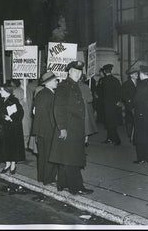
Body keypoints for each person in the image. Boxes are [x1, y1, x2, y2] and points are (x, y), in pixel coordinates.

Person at [49, 61, 93, 195]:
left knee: (68, 158)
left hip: (76, 129)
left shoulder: (75, 86)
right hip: (69, 129)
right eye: (75, 71)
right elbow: (58, 108)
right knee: (72, 159)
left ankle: (62, 184)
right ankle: (76, 187)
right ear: (69, 72)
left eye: (80, 72)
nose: (78, 74)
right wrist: (62, 128)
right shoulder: (64, 86)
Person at [32, 71, 59, 185]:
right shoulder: (50, 96)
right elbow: (52, 116)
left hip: (40, 130)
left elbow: (35, 112)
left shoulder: (40, 94)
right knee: (50, 156)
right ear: (48, 83)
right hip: (49, 130)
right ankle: (48, 179)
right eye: (55, 80)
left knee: (42, 156)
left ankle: (41, 177)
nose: (57, 82)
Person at [0, 84, 25, 174]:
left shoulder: (13, 100)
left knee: (12, 147)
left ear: (7, 91)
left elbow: (20, 113)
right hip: (4, 128)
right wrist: (2, 116)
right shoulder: (2, 100)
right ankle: (7, 164)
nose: (0, 92)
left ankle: (13, 165)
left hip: (13, 129)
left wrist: (11, 118)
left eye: (1, 90)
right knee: (5, 147)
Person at [132, 66, 148, 164]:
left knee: (140, 136)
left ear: (141, 74)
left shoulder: (141, 85)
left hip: (141, 113)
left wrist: (131, 104)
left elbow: (136, 100)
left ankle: (141, 158)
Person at [102, 64, 122, 145]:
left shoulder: (104, 80)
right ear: (111, 71)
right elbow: (119, 91)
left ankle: (116, 140)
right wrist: (117, 101)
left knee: (109, 122)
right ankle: (109, 138)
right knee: (111, 122)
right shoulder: (115, 80)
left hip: (107, 104)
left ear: (104, 71)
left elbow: (102, 93)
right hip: (114, 104)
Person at [12, 79, 33, 149]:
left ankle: (24, 147)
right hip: (21, 117)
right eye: (25, 80)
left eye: (27, 80)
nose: (26, 81)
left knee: (27, 134)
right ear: (20, 81)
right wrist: (21, 102)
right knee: (22, 134)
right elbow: (13, 105)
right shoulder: (16, 91)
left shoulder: (29, 91)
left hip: (29, 116)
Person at [78, 74, 98, 146]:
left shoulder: (72, 86)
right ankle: (85, 140)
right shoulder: (85, 86)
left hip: (75, 109)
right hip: (85, 108)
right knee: (86, 125)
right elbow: (90, 99)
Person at [121, 67, 139, 142]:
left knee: (136, 120)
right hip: (129, 105)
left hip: (137, 104)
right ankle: (130, 134)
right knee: (129, 120)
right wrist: (128, 101)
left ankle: (135, 135)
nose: (137, 75)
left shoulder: (139, 82)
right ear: (131, 75)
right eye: (135, 74)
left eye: (137, 73)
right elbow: (123, 95)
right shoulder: (126, 84)